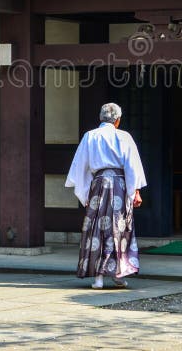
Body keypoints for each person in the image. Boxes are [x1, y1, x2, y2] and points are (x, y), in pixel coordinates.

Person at [65, 102, 147, 289]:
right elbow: (132, 167)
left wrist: (85, 193)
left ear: (100, 118)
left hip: (99, 185)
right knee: (119, 228)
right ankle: (118, 274)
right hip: (119, 184)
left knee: (97, 229)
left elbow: (81, 168)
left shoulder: (90, 136)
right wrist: (135, 191)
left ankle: (99, 278)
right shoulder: (124, 137)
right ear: (117, 120)